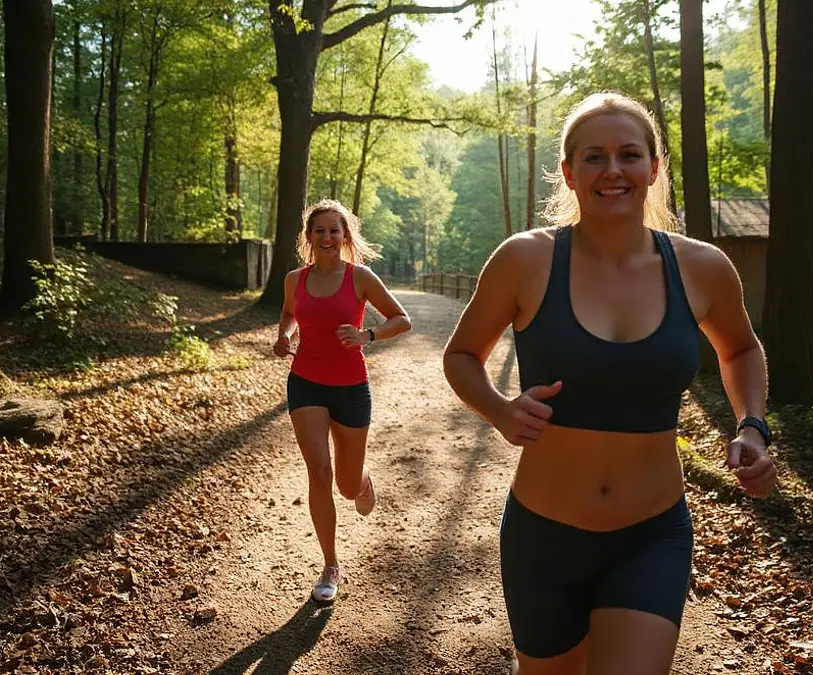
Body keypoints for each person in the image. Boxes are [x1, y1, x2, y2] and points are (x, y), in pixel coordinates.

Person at [442, 91, 778, 674]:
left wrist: (752, 424)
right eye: (594, 157)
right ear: (569, 174)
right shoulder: (526, 259)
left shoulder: (702, 267)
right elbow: (463, 356)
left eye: (628, 154)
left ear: (652, 167)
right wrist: (499, 409)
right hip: (543, 535)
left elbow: (742, 348)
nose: (613, 170)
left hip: (651, 535)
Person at [274, 198, 412, 604]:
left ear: (345, 236)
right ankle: (331, 564)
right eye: (320, 230)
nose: (327, 236)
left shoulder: (361, 277)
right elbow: (288, 313)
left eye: (335, 229)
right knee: (319, 471)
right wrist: (285, 335)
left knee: (346, 486)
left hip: (351, 386)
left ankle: (362, 479)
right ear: (309, 238)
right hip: (306, 383)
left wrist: (367, 335)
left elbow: (401, 319)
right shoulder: (293, 280)